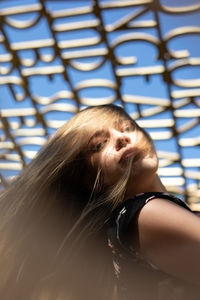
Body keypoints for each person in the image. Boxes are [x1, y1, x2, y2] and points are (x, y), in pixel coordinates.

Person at [0, 104, 200, 300]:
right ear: (91, 180)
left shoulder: (125, 232)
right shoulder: (144, 212)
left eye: (128, 128)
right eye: (99, 145)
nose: (121, 138)